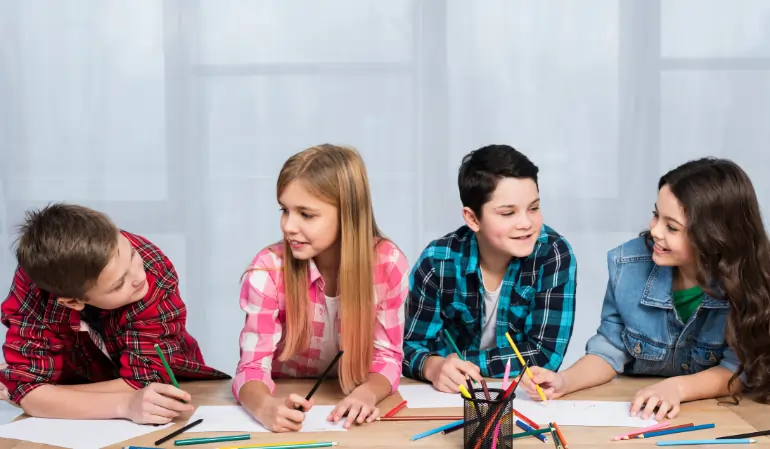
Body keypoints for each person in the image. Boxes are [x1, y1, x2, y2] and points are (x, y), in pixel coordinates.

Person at [521, 158, 770, 419]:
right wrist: (564, 381)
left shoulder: (747, 282)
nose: (655, 231)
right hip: (641, 413)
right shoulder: (627, 265)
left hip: (716, 416)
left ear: (716, 235)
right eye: (656, 215)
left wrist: (676, 388)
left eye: (671, 227)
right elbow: (609, 349)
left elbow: (736, 369)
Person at [234, 144, 409, 432]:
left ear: (348, 215)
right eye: (284, 210)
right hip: (286, 397)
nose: (289, 226)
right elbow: (251, 366)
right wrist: (265, 407)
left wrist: (367, 393)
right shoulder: (268, 269)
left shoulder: (388, 263)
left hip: (347, 399)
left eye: (306, 214)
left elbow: (387, 357)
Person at [0, 203, 229, 423]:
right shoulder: (37, 288)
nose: (139, 277)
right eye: (119, 284)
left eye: (132, 256)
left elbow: (142, 380)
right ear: (72, 301)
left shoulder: (151, 268)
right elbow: (30, 395)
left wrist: (48, 396)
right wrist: (124, 405)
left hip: (171, 386)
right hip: (85, 386)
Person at [402, 144, 577, 392]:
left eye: (534, 208)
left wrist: (458, 362)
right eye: (508, 213)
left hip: (519, 398)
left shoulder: (553, 254)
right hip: (452, 397)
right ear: (473, 218)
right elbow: (408, 345)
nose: (526, 223)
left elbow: (545, 354)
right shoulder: (437, 261)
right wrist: (433, 367)